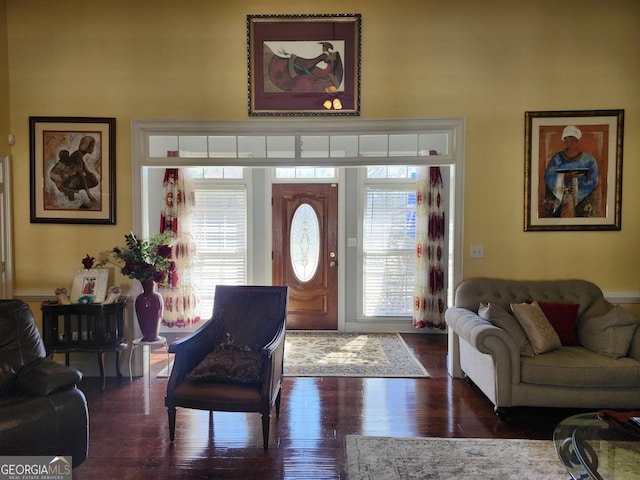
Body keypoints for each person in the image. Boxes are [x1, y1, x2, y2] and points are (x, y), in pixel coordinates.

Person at [543, 125, 599, 217]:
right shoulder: (557, 158)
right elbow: (549, 175)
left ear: (577, 140)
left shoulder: (589, 159)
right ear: (564, 141)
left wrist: (577, 182)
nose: (570, 143)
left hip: (582, 197)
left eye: (572, 140)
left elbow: (593, 178)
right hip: (561, 196)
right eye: (567, 140)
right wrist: (563, 177)